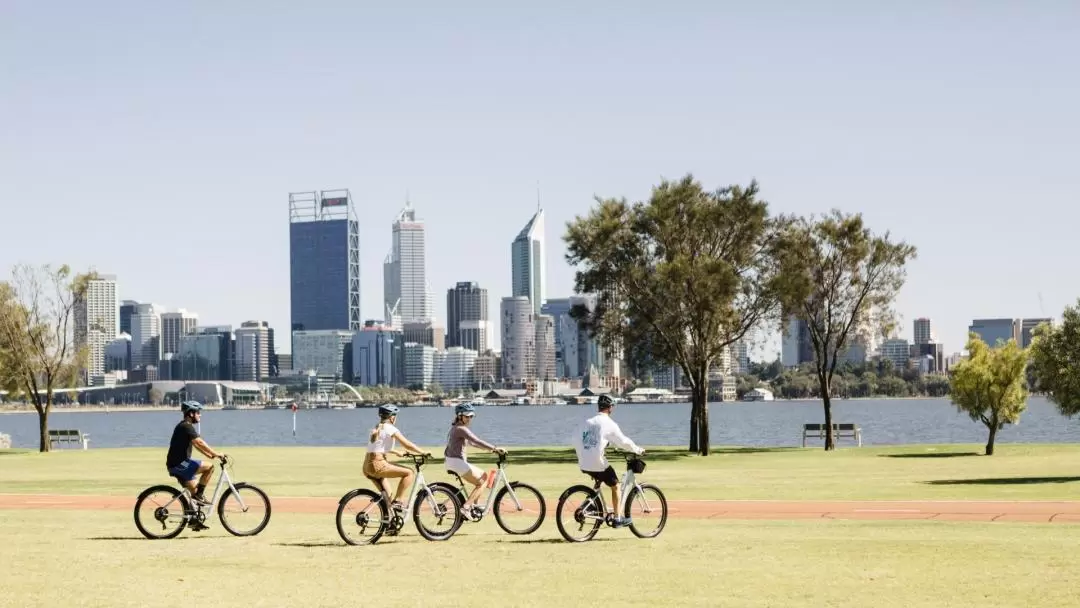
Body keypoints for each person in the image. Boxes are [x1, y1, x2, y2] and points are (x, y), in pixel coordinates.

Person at [572, 394, 644, 528]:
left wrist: (585, 454)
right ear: (610, 407)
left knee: (599, 481)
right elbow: (623, 442)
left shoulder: (587, 422)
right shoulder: (609, 423)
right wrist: (638, 450)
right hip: (597, 463)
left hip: (583, 463)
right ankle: (617, 518)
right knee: (615, 485)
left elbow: (576, 439)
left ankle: (590, 506)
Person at [166, 400, 226, 531]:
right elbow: (199, 442)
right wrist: (216, 453)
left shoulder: (184, 426)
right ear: (191, 414)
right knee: (209, 467)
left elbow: (195, 444)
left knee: (193, 493)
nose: (200, 415)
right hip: (180, 464)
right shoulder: (186, 426)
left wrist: (209, 455)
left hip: (176, 464)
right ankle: (200, 496)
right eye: (198, 412)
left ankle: (193, 521)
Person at [444, 403, 505, 520]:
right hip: (457, 463)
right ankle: (466, 507)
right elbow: (476, 440)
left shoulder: (455, 428)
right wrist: (495, 448)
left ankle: (474, 507)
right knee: (483, 481)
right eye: (467, 416)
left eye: (471, 416)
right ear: (459, 416)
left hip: (452, 462)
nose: (469, 418)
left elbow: (471, 443)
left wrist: (490, 450)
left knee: (482, 476)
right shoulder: (461, 429)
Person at [363, 404, 428, 512]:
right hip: (377, 464)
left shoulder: (378, 427)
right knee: (409, 473)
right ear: (392, 417)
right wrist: (423, 452)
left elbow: (379, 447)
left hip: (367, 466)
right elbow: (407, 444)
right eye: (395, 416)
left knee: (389, 498)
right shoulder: (390, 428)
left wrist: (397, 452)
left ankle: (390, 524)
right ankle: (398, 501)